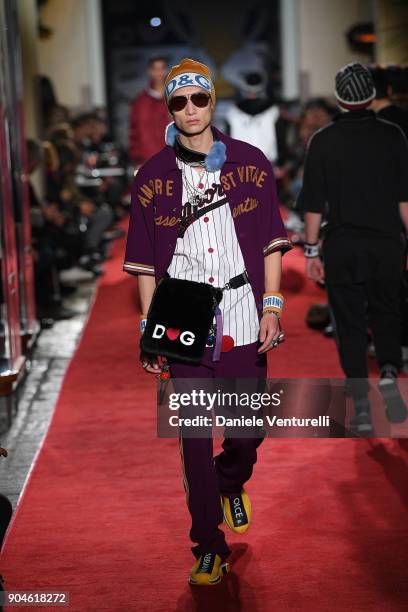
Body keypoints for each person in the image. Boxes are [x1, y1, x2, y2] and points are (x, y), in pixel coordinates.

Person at [123, 58, 291, 585]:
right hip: (181, 318)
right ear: (169, 107)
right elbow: (145, 261)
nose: (190, 109)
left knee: (247, 429)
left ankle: (230, 480)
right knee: (194, 437)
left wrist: (273, 305)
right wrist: (149, 329)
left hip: (243, 309)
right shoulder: (151, 178)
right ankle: (207, 543)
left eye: (199, 99)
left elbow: (270, 241)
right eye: (179, 101)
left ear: (212, 101)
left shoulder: (250, 161)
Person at [301, 62, 408, 435]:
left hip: (343, 245)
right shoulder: (394, 136)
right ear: (370, 95)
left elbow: (313, 204)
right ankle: (391, 372)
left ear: (340, 98)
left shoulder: (323, 141)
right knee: (387, 311)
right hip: (386, 243)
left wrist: (311, 252)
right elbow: (404, 200)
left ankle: (361, 405)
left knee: (348, 322)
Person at [128, 56, 169, 167]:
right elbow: (134, 132)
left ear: (166, 71)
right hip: (147, 159)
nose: (159, 73)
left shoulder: (176, 98)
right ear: (149, 71)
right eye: (155, 69)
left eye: (161, 68)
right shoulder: (140, 102)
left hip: (174, 158)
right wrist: (137, 159)